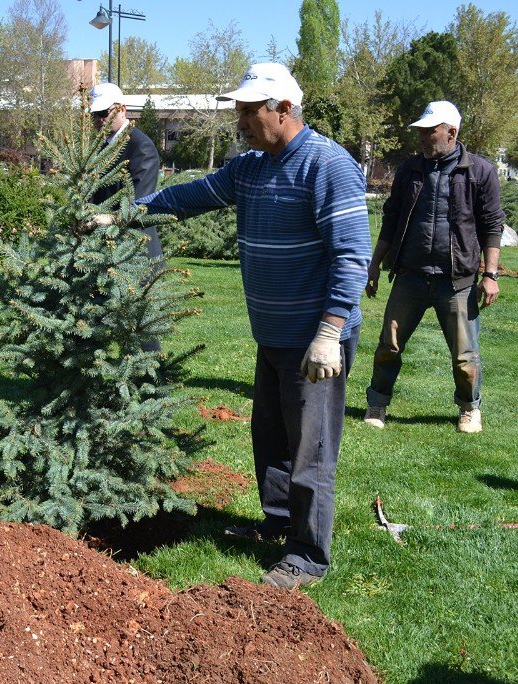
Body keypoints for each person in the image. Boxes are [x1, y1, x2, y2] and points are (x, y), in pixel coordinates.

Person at [133, 63, 372, 589]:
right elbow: (187, 197)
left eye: (247, 111)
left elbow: (353, 256)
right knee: (271, 437)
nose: (239, 122)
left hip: (315, 338)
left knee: (310, 449)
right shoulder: (250, 168)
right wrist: (130, 213)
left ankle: (308, 557)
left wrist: (330, 332)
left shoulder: (327, 166)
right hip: (272, 333)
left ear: (283, 110)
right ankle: (279, 526)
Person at [363, 101, 504, 434]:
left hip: (457, 281)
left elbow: (492, 223)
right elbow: (392, 218)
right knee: (389, 346)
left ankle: (470, 409)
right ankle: (377, 403)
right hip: (410, 276)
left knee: (464, 355)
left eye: (430, 131)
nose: (423, 138)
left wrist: (491, 274)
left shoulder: (480, 171)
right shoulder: (411, 170)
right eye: (421, 132)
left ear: (451, 132)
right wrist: (373, 265)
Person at [89, 82, 163, 354]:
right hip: (105, 248)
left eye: (103, 114)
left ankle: (151, 385)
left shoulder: (141, 147)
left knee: (140, 326)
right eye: (93, 115)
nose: (97, 120)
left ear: (122, 109)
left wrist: (103, 219)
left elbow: (139, 204)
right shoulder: (100, 148)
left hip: (137, 250)